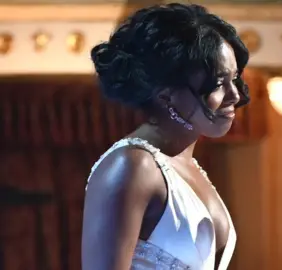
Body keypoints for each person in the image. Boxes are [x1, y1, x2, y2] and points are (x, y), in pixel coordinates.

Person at [81, 3, 250, 270]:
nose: (235, 95)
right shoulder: (132, 166)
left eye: (235, 79)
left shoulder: (188, 165)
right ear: (166, 95)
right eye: (218, 83)